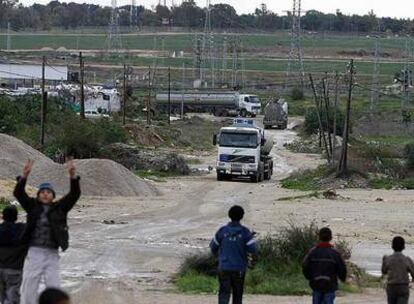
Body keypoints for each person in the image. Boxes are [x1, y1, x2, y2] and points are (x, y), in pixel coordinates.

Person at [14, 159, 81, 304]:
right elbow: (18, 193)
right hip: (34, 251)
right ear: (38, 195)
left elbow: (74, 195)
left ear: (53, 196)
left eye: (48, 192)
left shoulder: (60, 208)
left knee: (54, 285)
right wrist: (24, 176)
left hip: (52, 252)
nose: (45, 194)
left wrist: (73, 177)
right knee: (29, 284)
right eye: (42, 192)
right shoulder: (32, 206)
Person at [209, 205, 257, 304]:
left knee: (223, 293)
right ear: (242, 216)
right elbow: (253, 249)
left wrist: (219, 258)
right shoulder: (245, 232)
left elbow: (213, 247)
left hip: (224, 267)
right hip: (239, 269)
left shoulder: (222, 231)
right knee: (238, 294)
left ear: (229, 215)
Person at [303, 227, 347, 304]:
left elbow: (305, 266)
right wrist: (342, 278)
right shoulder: (335, 253)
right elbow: (342, 268)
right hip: (330, 285)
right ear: (330, 238)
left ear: (319, 237)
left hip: (316, 284)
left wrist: (309, 277)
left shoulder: (312, 252)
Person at [0, 205, 27, 304]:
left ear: (3, 217)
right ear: (16, 217)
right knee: (13, 298)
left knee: (2, 297)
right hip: (14, 269)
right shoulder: (22, 229)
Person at [382, 236, 414, 304]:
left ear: (392, 246)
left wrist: (384, 260)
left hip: (391, 286)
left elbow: (384, 271)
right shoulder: (407, 259)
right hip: (403, 286)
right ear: (403, 247)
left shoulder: (388, 259)